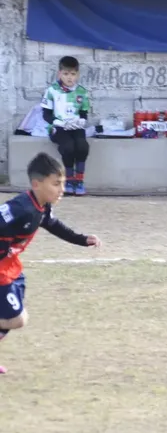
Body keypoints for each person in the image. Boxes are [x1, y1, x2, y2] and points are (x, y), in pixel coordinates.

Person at [0, 153, 101, 374]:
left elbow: (54, 225)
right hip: (1, 272)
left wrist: (82, 239)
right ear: (36, 184)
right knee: (17, 319)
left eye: (62, 184)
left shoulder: (41, 207)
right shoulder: (21, 207)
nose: (61, 190)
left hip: (11, 268)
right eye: (56, 184)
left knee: (10, 317)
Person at [41, 56, 91, 196]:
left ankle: (79, 180)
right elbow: (46, 114)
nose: (69, 78)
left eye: (73, 74)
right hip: (58, 127)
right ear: (59, 74)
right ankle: (69, 179)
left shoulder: (81, 91)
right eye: (66, 74)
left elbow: (83, 113)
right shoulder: (52, 90)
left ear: (77, 74)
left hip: (75, 127)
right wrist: (57, 122)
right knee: (68, 146)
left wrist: (81, 121)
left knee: (82, 146)